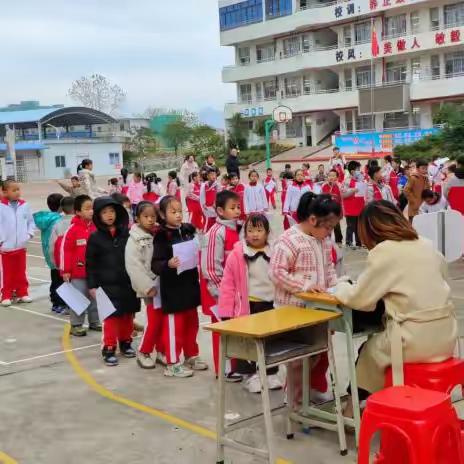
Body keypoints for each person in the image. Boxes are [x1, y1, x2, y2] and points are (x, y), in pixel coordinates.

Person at [335, 200, 456, 407]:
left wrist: (341, 286)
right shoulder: (426, 243)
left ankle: (352, 407)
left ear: (369, 230)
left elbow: (361, 299)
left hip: (413, 341)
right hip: (446, 336)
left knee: (367, 352)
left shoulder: (384, 251)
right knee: (378, 346)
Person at [270, 192, 342, 403]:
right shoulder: (289, 240)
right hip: (293, 311)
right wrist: (304, 286)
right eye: (327, 227)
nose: (329, 232)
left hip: (319, 310)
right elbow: (276, 273)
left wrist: (336, 288)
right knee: (297, 361)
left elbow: (329, 269)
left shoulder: (324, 241)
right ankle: (293, 400)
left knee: (318, 354)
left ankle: (310, 394)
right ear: (312, 220)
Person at [218, 214, 282, 393]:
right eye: (250, 230)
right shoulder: (237, 255)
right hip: (249, 306)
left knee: (271, 341)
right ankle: (250, 376)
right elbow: (228, 284)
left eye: (259, 230)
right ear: (244, 233)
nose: (254, 234)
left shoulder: (276, 252)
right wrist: (226, 311)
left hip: (271, 306)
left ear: (268, 232)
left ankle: (270, 373)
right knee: (248, 343)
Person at [152, 195, 208, 377]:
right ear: (162, 213)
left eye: (180, 211)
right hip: (172, 289)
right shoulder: (161, 235)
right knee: (175, 327)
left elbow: (201, 244)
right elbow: (155, 263)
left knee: (192, 323)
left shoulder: (188, 229)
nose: (178, 215)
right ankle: (172, 362)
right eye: (173, 212)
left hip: (190, 284)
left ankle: (191, 355)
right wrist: (167, 264)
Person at [86, 197, 141, 366]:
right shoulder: (95, 238)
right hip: (106, 285)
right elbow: (91, 263)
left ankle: (126, 342)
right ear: (98, 216)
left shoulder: (127, 234)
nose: (109, 215)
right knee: (111, 317)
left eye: (112, 211)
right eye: (104, 212)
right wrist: (92, 285)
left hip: (127, 282)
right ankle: (109, 347)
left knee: (127, 314)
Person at [200, 190, 242, 378]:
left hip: (236, 291)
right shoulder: (215, 233)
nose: (237, 211)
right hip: (219, 292)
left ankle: (237, 366)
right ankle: (223, 370)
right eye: (232, 208)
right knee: (222, 331)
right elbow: (210, 267)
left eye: (238, 207)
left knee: (236, 330)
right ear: (219, 210)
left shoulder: (238, 229)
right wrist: (220, 292)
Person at [125, 201, 161, 369]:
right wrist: (147, 287)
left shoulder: (158, 233)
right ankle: (144, 350)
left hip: (162, 285)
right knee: (154, 320)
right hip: (150, 288)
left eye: (153, 216)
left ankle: (162, 350)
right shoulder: (135, 240)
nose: (150, 220)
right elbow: (134, 266)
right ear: (137, 218)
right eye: (146, 217)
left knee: (163, 320)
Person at [61, 195, 100, 336]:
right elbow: (65, 250)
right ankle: (76, 324)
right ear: (77, 212)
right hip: (78, 272)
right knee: (78, 298)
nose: (91, 211)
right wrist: (65, 270)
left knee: (95, 297)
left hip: (95, 272)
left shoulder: (97, 228)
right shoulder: (72, 230)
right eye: (87, 208)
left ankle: (95, 321)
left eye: (92, 208)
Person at [0, 180, 36, 306]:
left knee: (21, 272)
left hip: (21, 246)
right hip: (6, 248)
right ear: (5, 192)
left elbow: (31, 221)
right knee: (7, 273)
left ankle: (23, 293)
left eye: (18, 189)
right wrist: (1, 241)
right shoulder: (1, 206)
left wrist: (28, 234)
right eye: (14, 190)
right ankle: (6, 295)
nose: (17, 192)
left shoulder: (24, 205)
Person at [33, 193, 65, 313]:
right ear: (61, 206)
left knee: (55, 278)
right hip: (57, 254)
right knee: (59, 280)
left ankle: (57, 302)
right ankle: (58, 302)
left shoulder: (45, 218)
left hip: (49, 254)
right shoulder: (58, 220)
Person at [49, 196, 75, 314]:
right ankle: (75, 306)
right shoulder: (80, 223)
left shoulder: (58, 224)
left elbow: (52, 246)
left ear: (62, 209)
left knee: (61, 284)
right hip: (77, 263)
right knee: (76, 285)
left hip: (61, 262)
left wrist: (54, 263)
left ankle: (61, 305)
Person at [343, 161, 364, 248]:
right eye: (358, 169)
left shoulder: (362, 180)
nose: (360, 171)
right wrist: (352, 190)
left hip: (360, 207)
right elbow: (343, 194)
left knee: (358, 226)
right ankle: (349, 242)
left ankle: (359, 242)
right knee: (350, 226)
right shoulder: (347, 180)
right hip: (350, 208)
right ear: (352, 171)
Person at [321, 170, 344, 245]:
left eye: (333, 175)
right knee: (327, 226)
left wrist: (341, 211)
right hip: (327, 210)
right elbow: (321, 198)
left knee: (337, 226)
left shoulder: (339, 186)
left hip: (336, 210)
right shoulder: (324, 186)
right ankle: (327, 240)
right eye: (330, 175)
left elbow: (341, 200)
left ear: (337, 177)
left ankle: (339, 241)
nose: (331, 177)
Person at [200, 167, 219, 233]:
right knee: (207, 222)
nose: (213, 176)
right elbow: (202, 196)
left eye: (214, 174)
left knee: (216, 222)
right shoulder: (204, 185)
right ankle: (206, 235)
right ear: (207, 176)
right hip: (207, 208)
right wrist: (203, 205)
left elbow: (219, 195)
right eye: (211, 175)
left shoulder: (217, 185)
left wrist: (216, 203)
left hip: (215, 208)